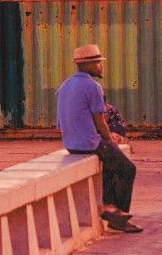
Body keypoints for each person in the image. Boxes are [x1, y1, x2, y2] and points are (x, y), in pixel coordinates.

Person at [56, 44, 141, 234]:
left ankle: (109, 205)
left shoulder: (64, 86)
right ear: (86, 66)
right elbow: (100, 120)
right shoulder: (92, 86)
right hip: (89, 144)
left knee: (111, 164)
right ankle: (118, 216)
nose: (101, 67)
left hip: (71, 145)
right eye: (97, 63)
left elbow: (60, 123)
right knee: (128, 168)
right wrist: (109, 139)